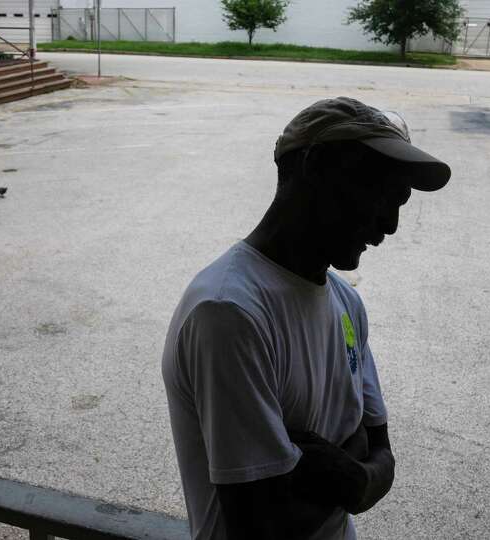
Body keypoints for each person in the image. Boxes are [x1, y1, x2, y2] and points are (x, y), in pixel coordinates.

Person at [161, 97, 451, 539]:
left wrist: (347, 478)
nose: (389, 225)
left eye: (400, 204)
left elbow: (380, 452)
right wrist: (351, 471)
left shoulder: (346, 304)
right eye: (380, 194)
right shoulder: (230, 313)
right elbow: (259, 524)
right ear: (315, 168)